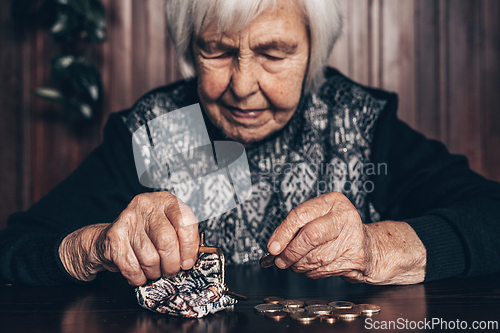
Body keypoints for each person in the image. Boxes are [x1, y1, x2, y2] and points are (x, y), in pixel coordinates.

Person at [1, 0, 499, 287]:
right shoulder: (158, 129)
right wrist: (91, 248)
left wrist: (377, 247)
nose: (242, 86)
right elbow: (15, 249)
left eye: (274, 55)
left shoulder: (360, 123)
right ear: (190, 52)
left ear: (312, 53)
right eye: (216, 51)